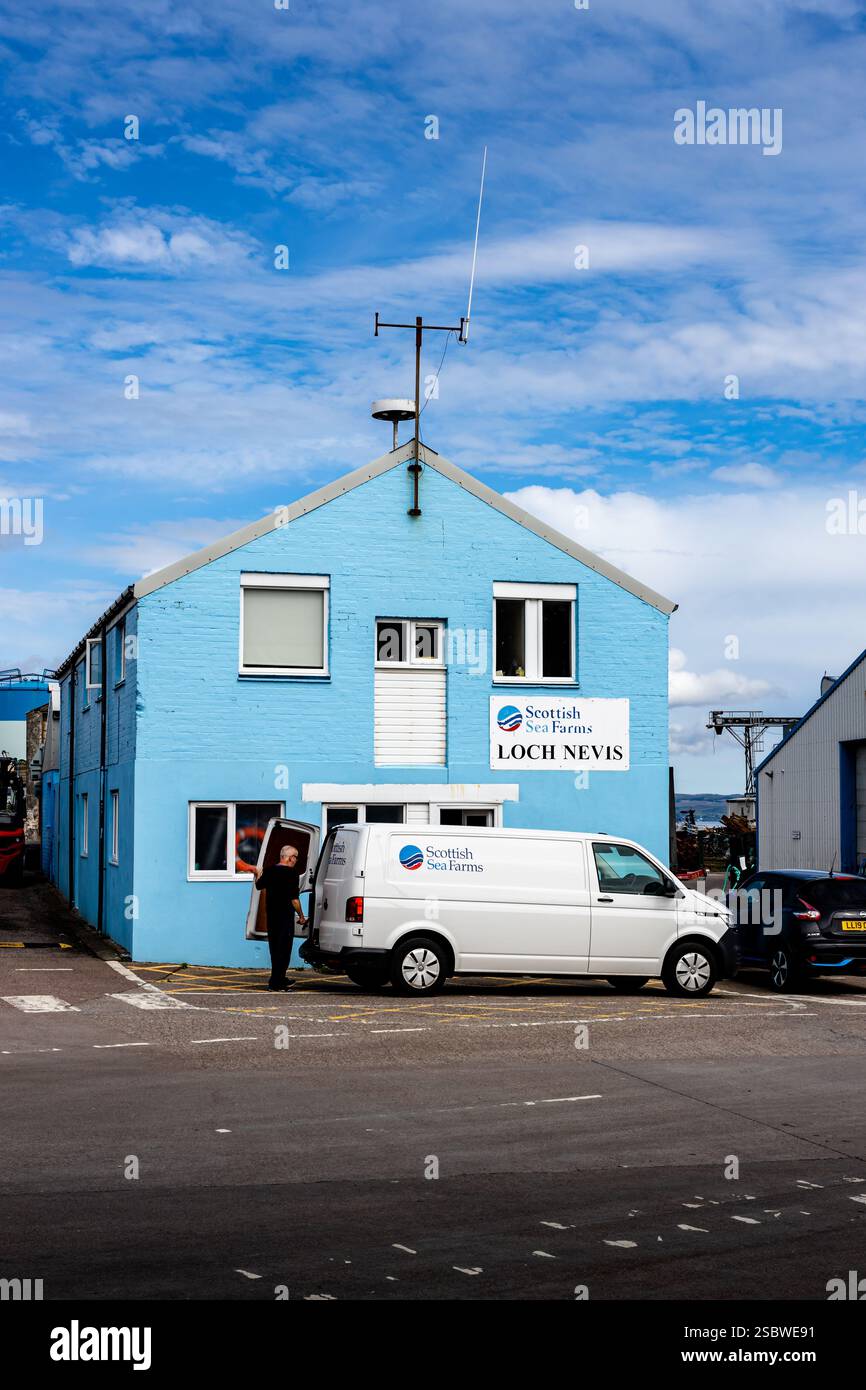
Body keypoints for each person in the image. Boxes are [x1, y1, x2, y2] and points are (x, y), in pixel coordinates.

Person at [253, 845, 308, 991]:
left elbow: (259, 886)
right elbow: (294, 900)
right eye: (295, 857)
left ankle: (280, 978)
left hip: (272, 916)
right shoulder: (292, 874)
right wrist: (302, 916)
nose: (296, 860)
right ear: (290, 858)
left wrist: (258, 873)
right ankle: (276, 983)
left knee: (275, 949)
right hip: (285, 917)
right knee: (284, 950)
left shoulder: (270, 870)